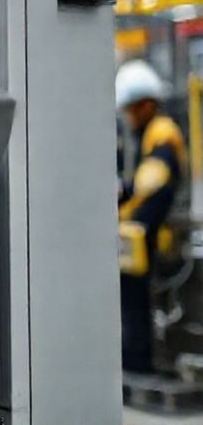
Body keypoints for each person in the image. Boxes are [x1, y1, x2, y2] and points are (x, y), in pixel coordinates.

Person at [116, 59, 184, 374]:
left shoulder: (161, 134)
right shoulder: (152, 134)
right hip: (139, 235)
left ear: (145, 105)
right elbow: (142, 183)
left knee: (135, 306)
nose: (128, 116)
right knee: (132, 305)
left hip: (143, 236)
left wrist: (135, 222)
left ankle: (138, 364)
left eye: (130, 108)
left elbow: (155, 187)